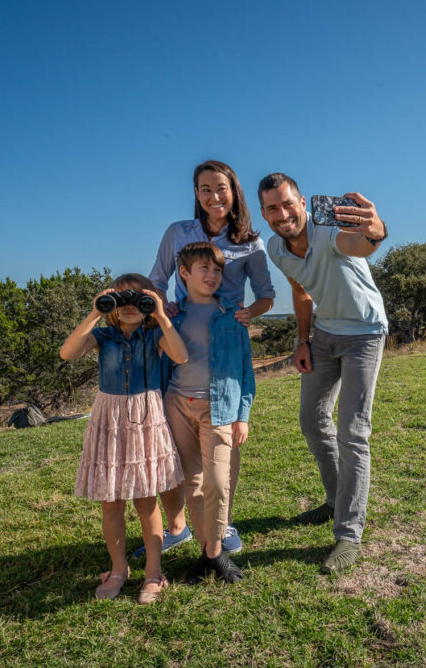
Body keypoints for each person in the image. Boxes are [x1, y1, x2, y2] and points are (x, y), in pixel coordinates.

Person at [141, 160, 275, 558]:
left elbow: (266, 293)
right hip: (182, 350)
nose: (213, 197)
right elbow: (156, 281)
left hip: (226, 342)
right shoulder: (178, 233)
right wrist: (167, 317)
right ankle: (186, 529)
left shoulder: (250, 242)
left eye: (221, 188)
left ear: (234, 191)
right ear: (196, 194)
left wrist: (251, 313)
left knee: (220, 463)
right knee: (183, 467)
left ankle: (221, 525)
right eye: (204, 189)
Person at [257, 172, 388, 574]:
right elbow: (300, 291)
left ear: (301, 202)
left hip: (364, 333)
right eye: (272, 208)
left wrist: (376, 231)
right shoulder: (276, 249)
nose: (282, 214)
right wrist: (301, 340)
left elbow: (360, 245)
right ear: (264, 214)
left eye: (287, 203)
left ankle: (348, 534)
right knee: (312, 420)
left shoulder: (328, 232)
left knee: (353, 431)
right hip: (324, 333)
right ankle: (334, 500)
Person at [59, 274, 188, 603]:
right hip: (110, 418)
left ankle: (153, 573)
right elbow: (67, 353)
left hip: (146, 416)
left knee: (146, 499)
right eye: (121, 301)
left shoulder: (156, 333)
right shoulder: (103, 335)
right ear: (112, 306)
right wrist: (94, 314)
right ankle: (119, 570)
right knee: (110, 501)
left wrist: (160, 314)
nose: (130, 307)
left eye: (138, 301)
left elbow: (180, 356)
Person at [163, 241, 255, 583]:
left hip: (219, 408)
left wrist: (242, 414)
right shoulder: (174, 315)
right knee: (193, 482)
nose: (213, 275)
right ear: (184, 273)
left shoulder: (233, 315)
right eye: (204, 269)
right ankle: (208, 550)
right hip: (177, 405)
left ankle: (215, 553)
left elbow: (246, 369)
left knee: (218, 481)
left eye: (218, 270)